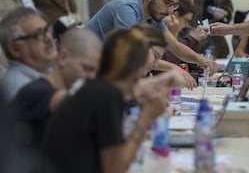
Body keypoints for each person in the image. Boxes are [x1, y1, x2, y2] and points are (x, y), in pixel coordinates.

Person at [43, 28, 186, 173]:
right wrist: (146, 118)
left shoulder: (93, 88)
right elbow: (115, 168)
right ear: (136, 70)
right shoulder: (107, 96)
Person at [85, 0, 216, 88]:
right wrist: (173, 68)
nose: (170, 11)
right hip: (86, 68)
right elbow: (131, 54)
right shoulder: (126, 9)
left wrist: (201, 60)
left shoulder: (155, 15)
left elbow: (175, 47)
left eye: (174, 5)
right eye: (167, 3)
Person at [8, 28, 102, 164]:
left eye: (95, 72)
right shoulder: (35, 92)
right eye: (87, 69)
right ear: (63, 58)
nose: (91, 77)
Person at [0, 7, 57, 101]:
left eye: (47, 30)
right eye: (38, 34)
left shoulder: (48, 70)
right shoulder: (19, 88)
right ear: (15, 49)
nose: (49, 38)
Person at [162, 0, 208, 65]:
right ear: (175, 15)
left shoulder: (183, 32)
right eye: (186, 20)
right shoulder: (157, 28)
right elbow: (168, 59)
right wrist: (193, 38)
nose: (186, 25)